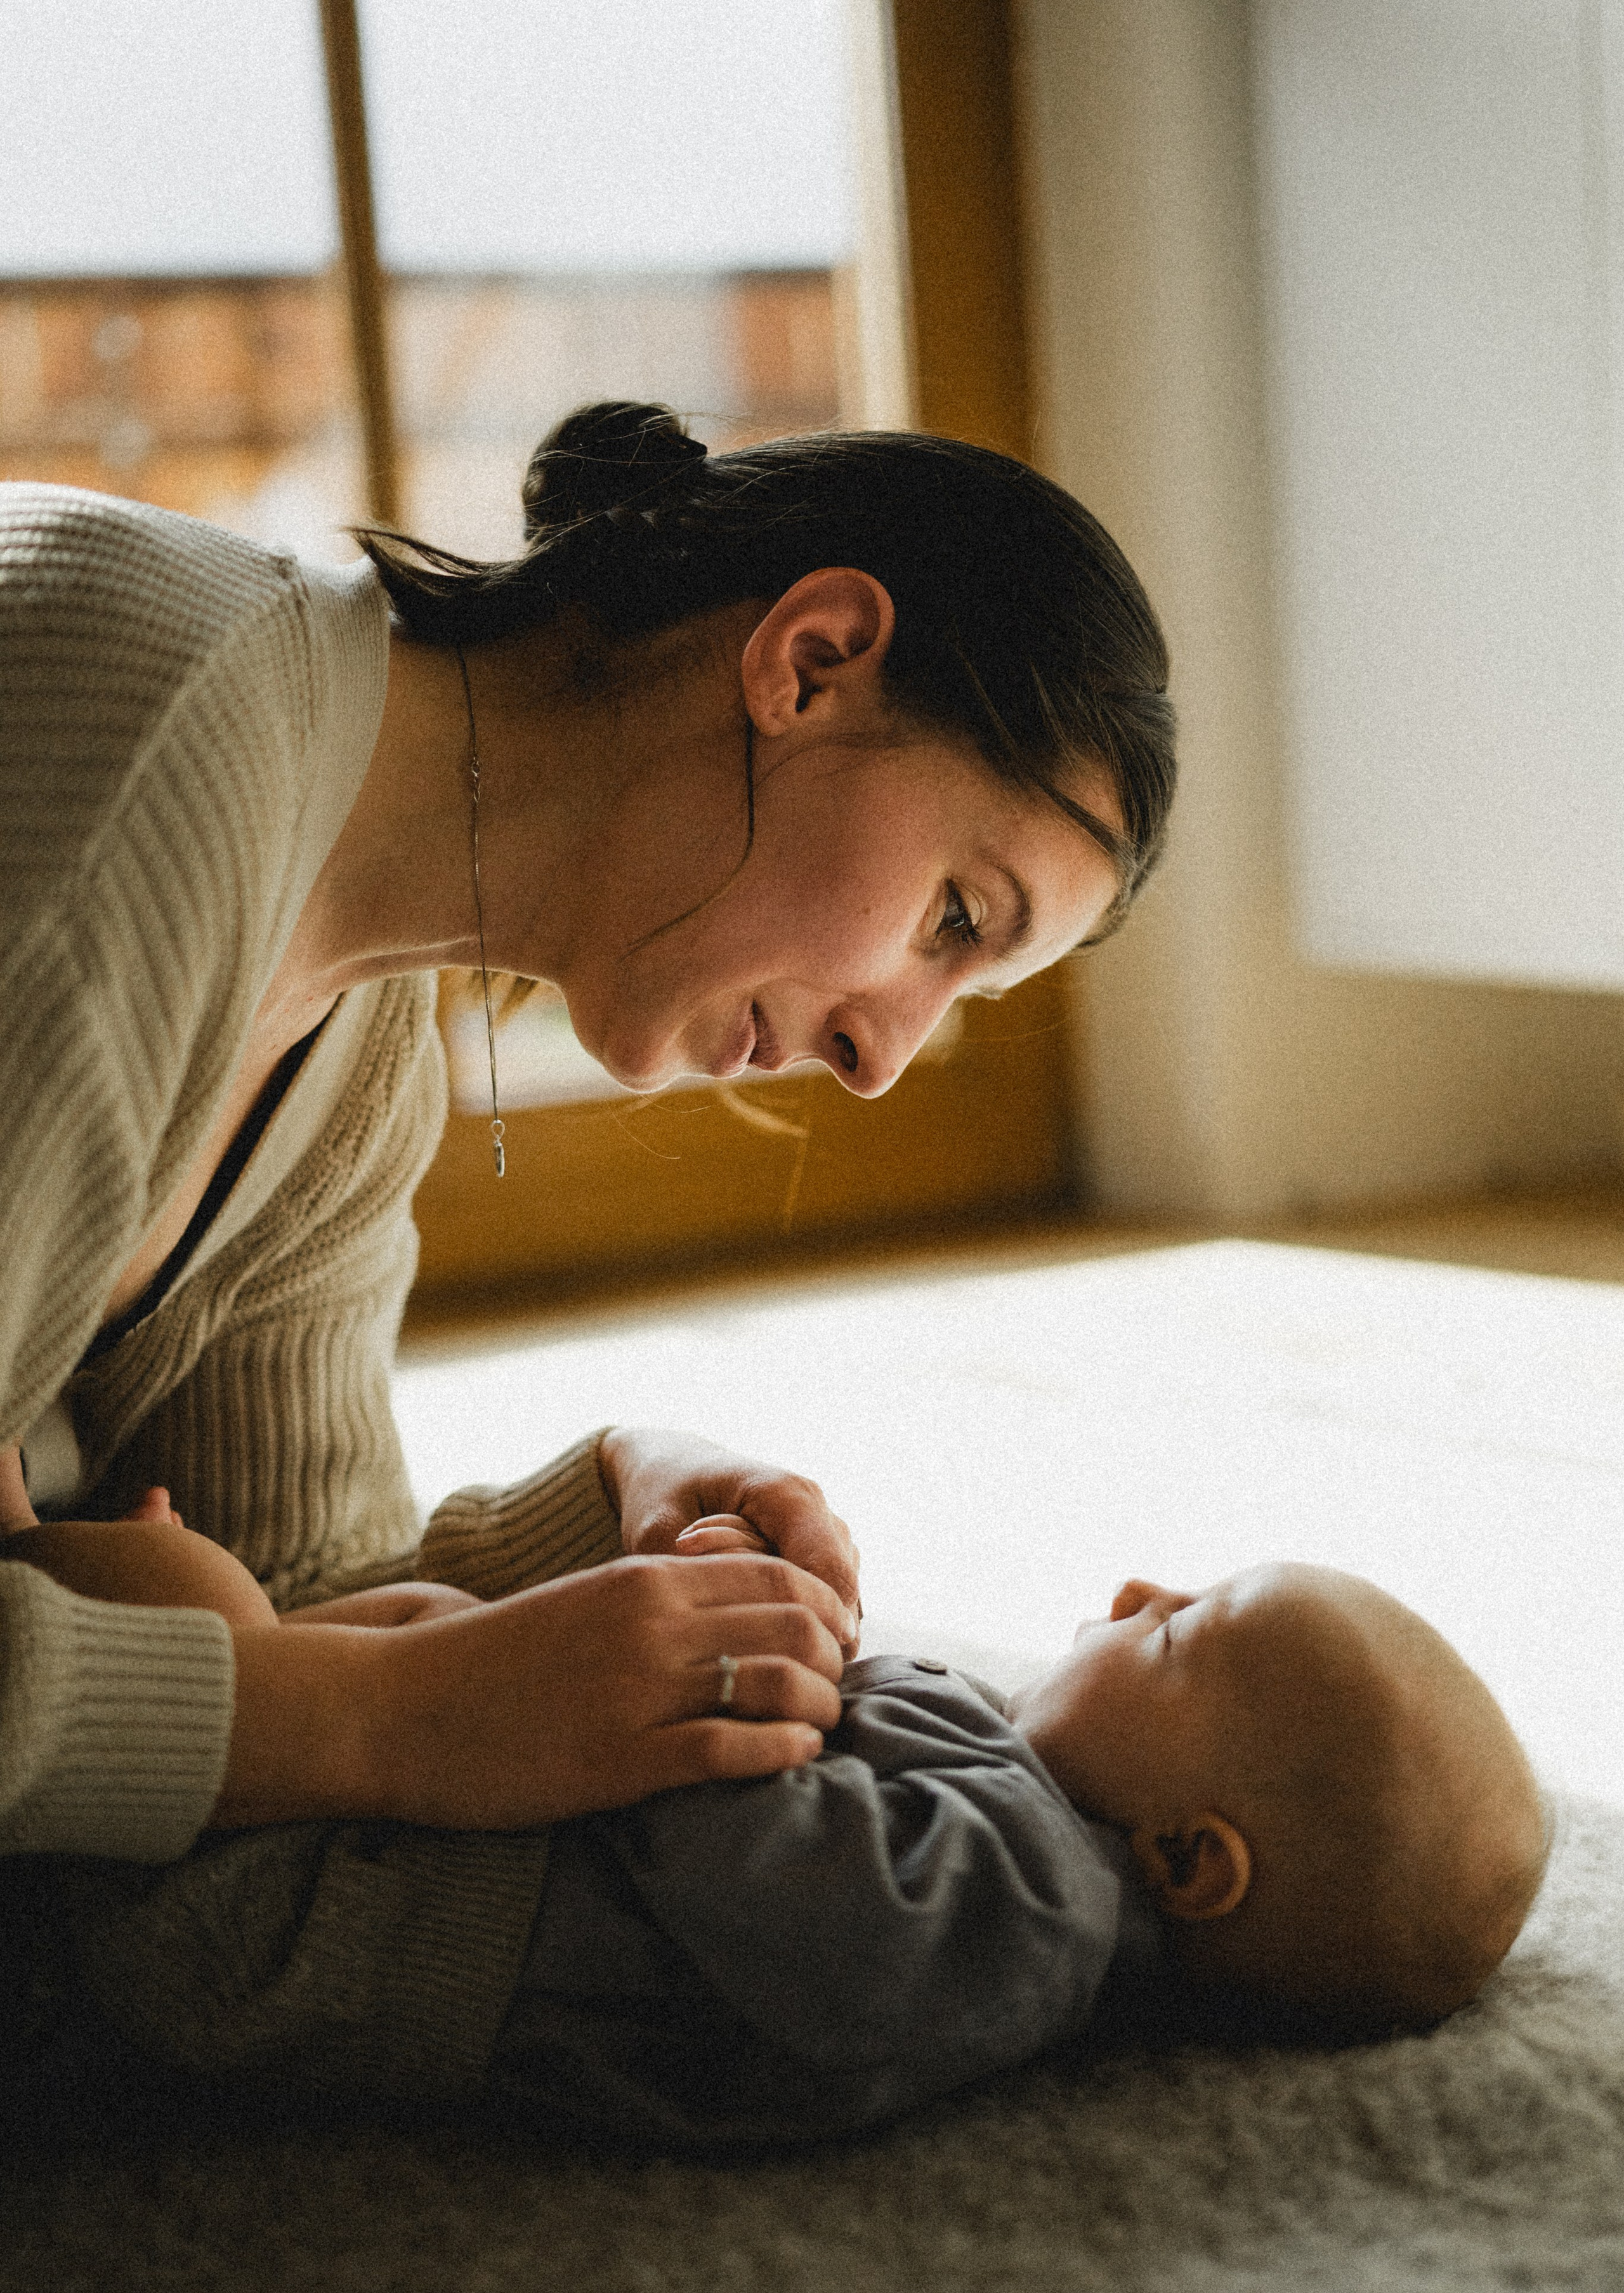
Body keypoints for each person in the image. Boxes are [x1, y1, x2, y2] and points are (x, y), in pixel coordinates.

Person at [0, 398, 1177, 1938]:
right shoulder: (145, 764)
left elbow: (291, 1592)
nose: (883, 1059)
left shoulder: (351, 1055)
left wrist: (612, 1513)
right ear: (808, 660)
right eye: (954, 919)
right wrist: (387, 1725)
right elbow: (331, 1697)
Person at [4, 1488, 1549, 2144]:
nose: (1133, 1592)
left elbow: (783, 1887)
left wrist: (734, 1675)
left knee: (183, 1599)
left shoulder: (1028, 1918)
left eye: (1173, 1633)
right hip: (376, 1853)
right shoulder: (1018, 1845)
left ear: (1187, 1862)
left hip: (333, 1936)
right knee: (319, 1612)